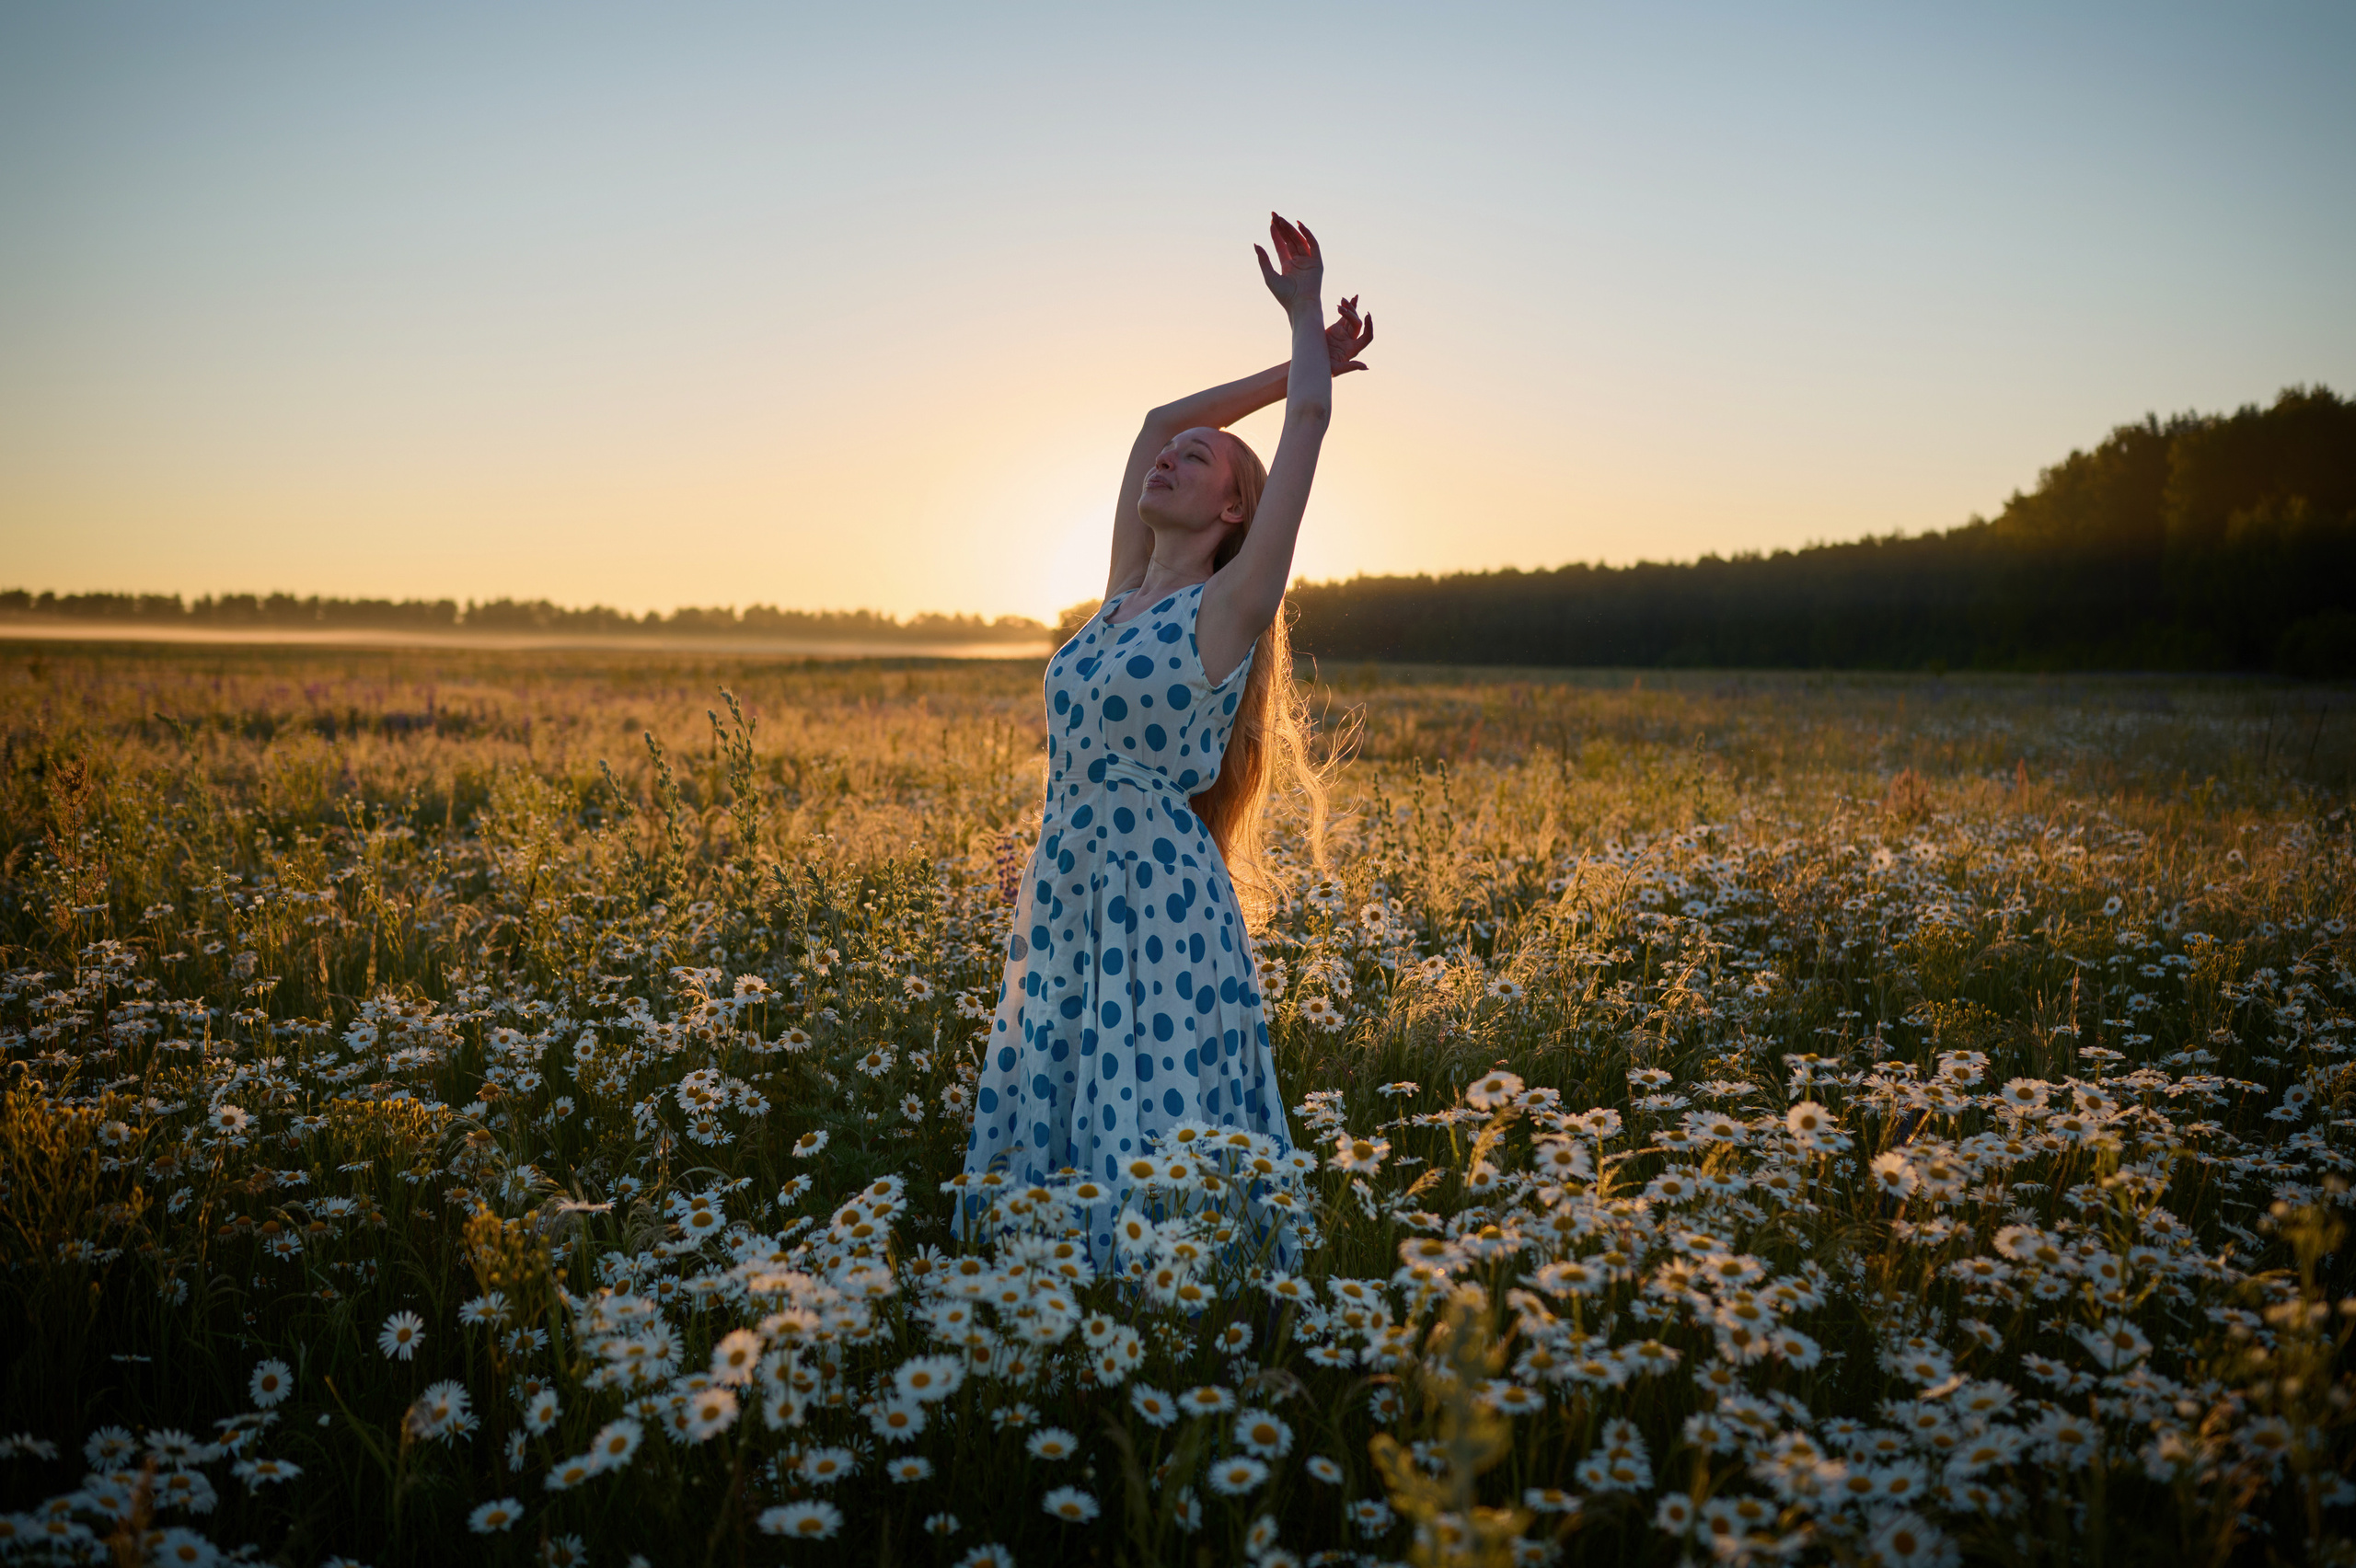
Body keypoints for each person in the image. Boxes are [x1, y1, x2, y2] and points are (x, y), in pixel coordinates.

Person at [956, 214, 1373, 1262]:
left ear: (1235, 511)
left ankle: (1172, 1301)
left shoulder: (1227, 608)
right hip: (1068, 887)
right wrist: (1289, 366)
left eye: (1199, 460)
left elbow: (1309, 428)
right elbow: (1155, 419)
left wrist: (1305, 321)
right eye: (1173, 457)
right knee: (1064, 1090)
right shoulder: (1118, 597)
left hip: (1161, 905)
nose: (1172, 457)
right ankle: (1049, 1289)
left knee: (1155, 1112)